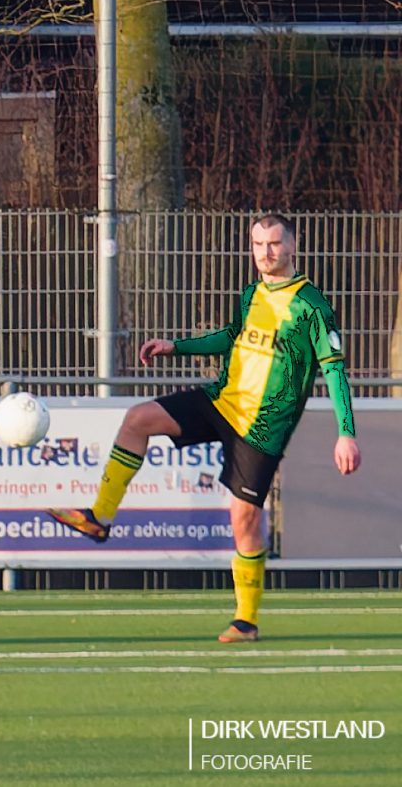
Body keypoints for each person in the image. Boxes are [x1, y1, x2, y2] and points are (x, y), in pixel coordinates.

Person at [48, 214, 362, 643]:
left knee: (243, 519)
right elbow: (231, 336)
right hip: (221, 401)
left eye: (273, 243)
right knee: (138, 419)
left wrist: (346, 432)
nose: (265, 252)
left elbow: (335, 370)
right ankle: (99, 517)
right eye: (258, 244)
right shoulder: (252, 293)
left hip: (263, 426)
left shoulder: (312, 306)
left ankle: (246, 621)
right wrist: (175, 347)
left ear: (293, 245)